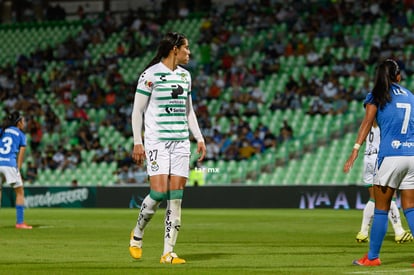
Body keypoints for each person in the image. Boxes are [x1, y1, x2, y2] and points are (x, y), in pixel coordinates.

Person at [129, 32, 206, 264]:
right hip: (157, 142)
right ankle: (137, 232)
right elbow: (137, 111)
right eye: (186, 48)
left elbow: (189, 111)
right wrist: (137, 142)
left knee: (176, 198)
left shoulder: (186, 76)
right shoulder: (150, 76)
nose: (189, 52)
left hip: (181, 141)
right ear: (174, 49)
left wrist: (199, 137)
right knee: (159, 193)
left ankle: (168, 252)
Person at [343, 59, 414, 266]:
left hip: (391, 156)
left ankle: (372, 257)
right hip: (412, 155)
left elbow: (367, 122)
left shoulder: (377, 95)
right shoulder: (410, 95)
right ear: (398, 76)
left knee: (381, 208)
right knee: (410, 206)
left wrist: (355, 150)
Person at [355, 122, 413, 244]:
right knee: (389, 196)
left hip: (368, 158)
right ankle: (399, 231)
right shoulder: (382, 122)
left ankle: (363, 232)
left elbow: (364, 137)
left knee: (373, 198)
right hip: (379, 157)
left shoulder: (366, 124)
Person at [0, 112, 32, 229]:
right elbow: (21, 154)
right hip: (9, 164)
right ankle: (20, 222)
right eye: (23, 121)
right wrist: (17, 169)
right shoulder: (21, 135)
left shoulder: (2, 130)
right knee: (19, 192)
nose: (24, 123)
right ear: (18, 123)